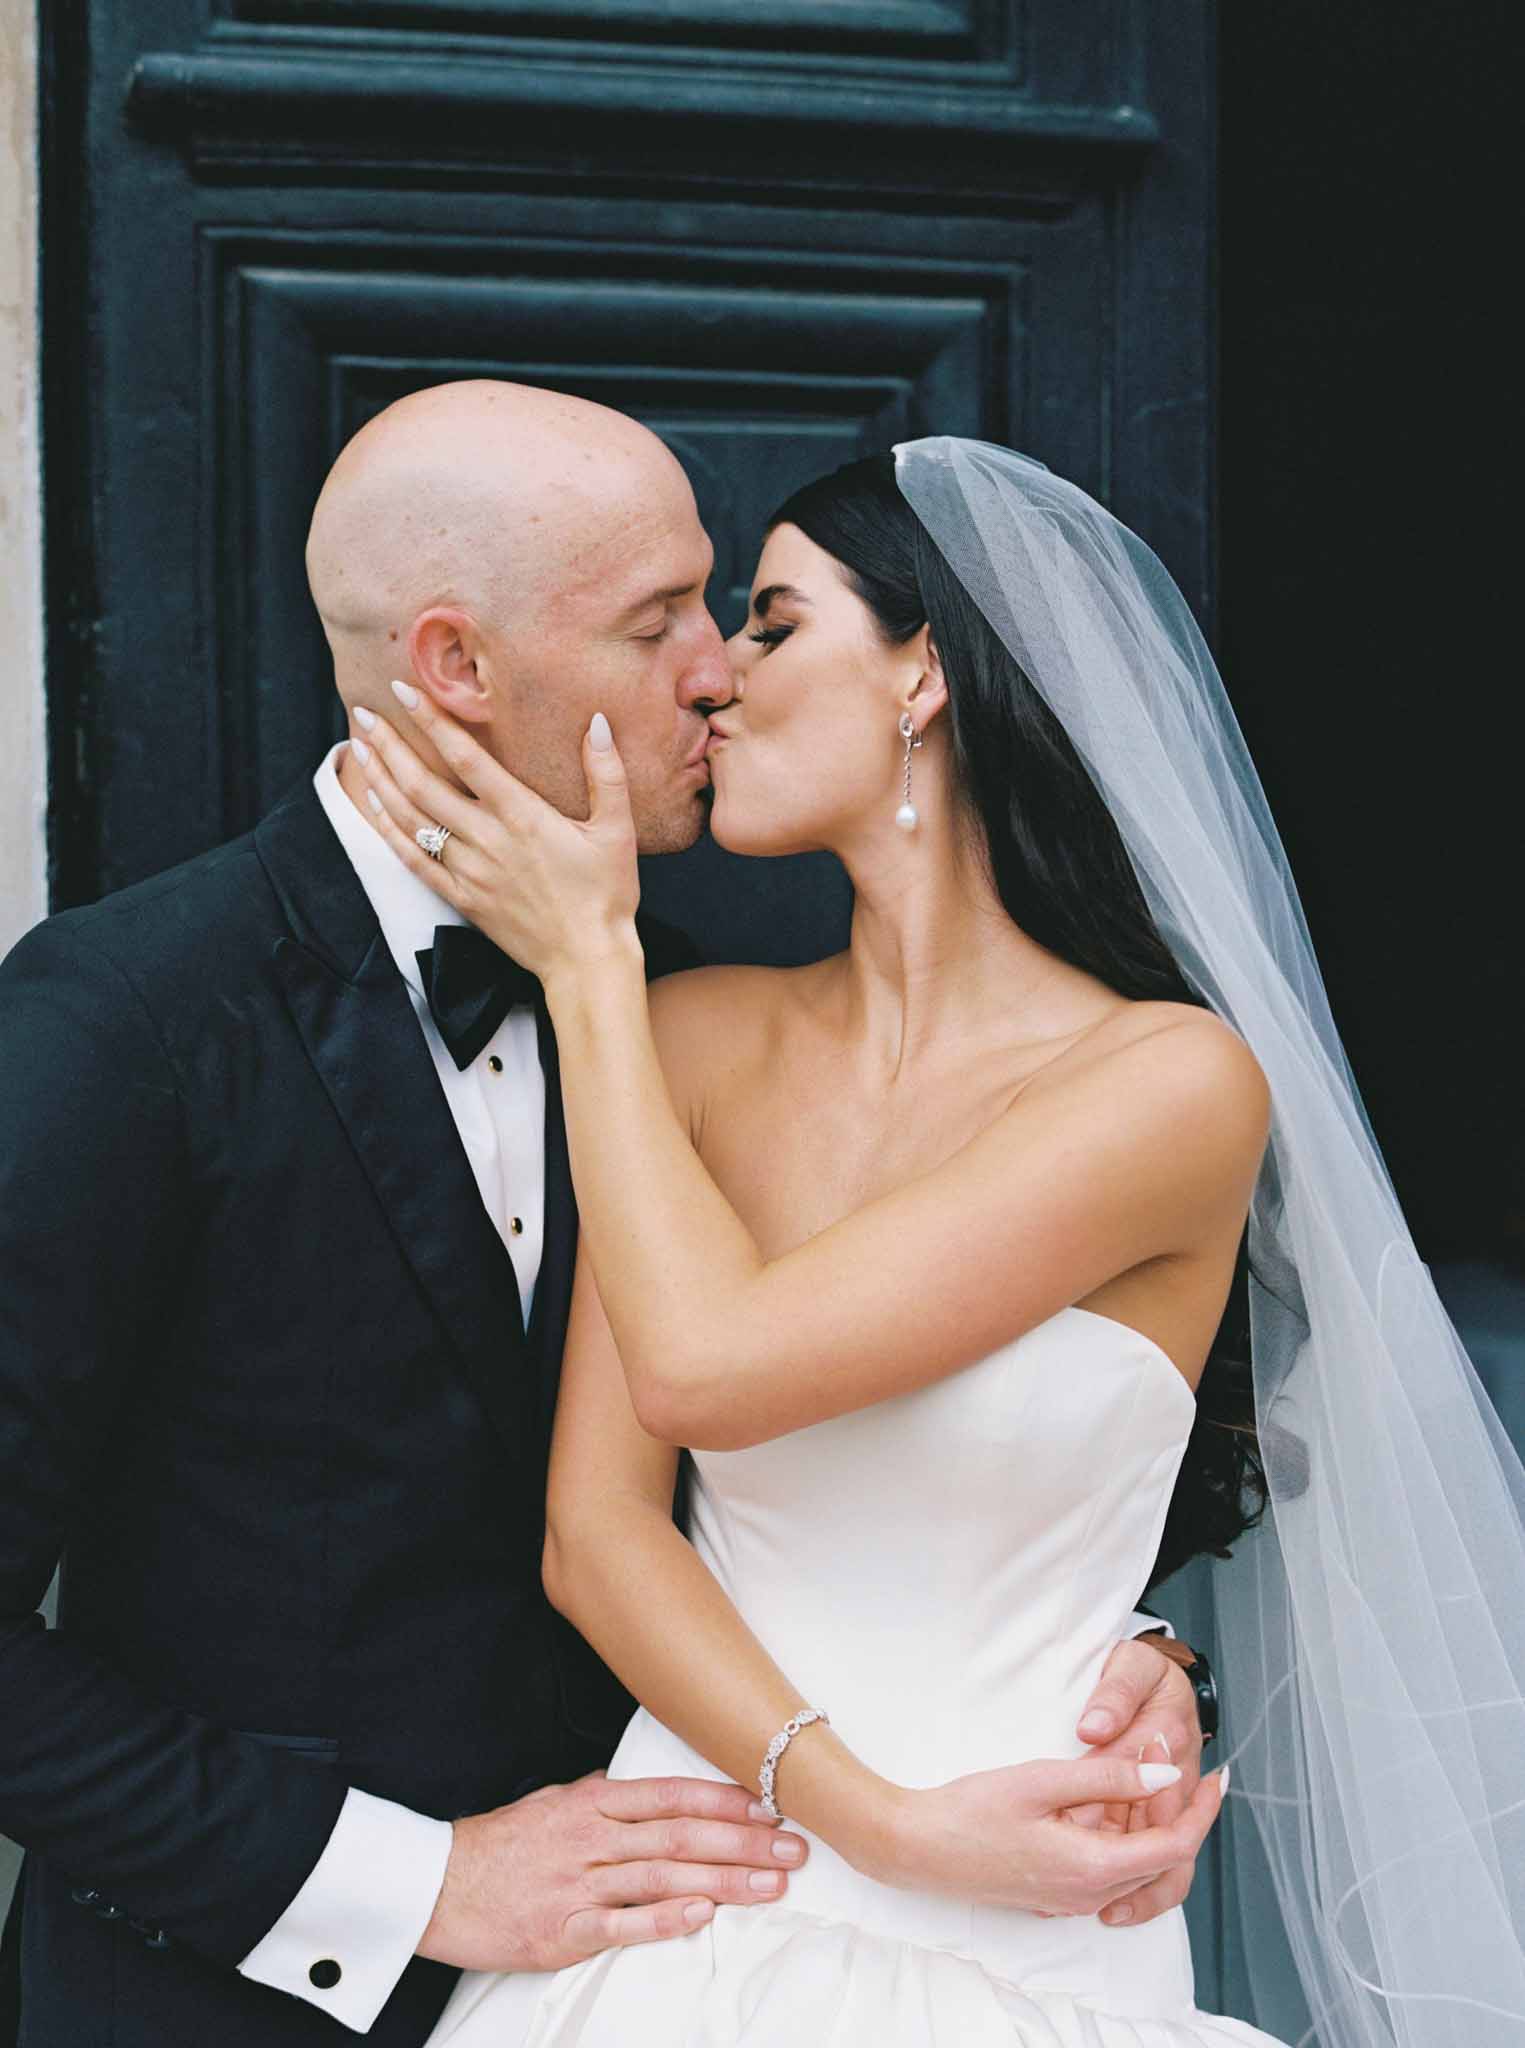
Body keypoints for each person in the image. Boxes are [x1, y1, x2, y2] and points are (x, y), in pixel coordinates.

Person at [0, 390, 1213, 2048]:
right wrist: (408, 1888)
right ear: (457, 667)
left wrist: (1118, 1643)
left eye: (738, 612)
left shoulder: (667, 1005)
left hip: (719, 1950)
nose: (715, 669)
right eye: (662, 622)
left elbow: (930, 1431)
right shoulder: (123, 1020)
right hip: (243, 2000)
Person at [350, 444, 1278, 2048]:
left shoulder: (1169, 1084)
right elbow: (599, 1530)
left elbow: (720, 1367)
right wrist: (872, 1820)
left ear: (925, 672)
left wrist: (582, 957)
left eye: (773, 625)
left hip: (1035, 1921)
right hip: (692, 1901)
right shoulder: (684, 1035)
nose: (712, 682)